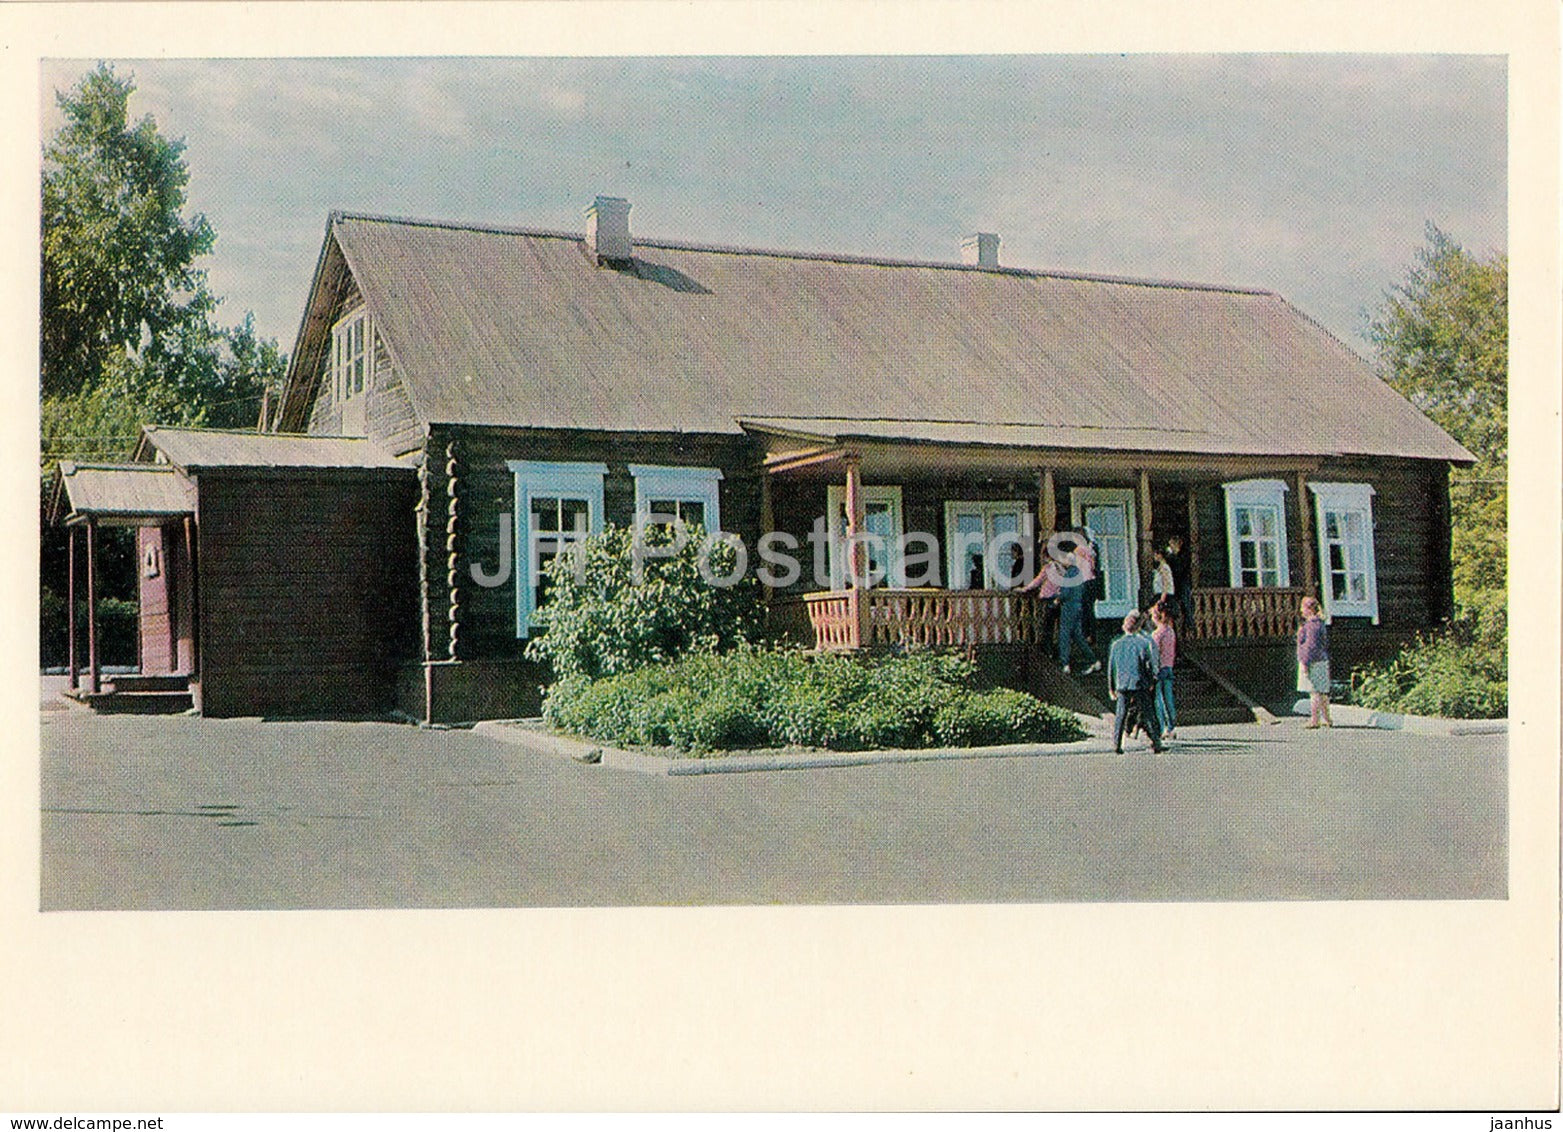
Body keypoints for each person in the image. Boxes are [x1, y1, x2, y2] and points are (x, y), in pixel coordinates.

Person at [1020, 537, 1100, 675]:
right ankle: (1093, 660)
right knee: (1077, 636)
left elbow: (1066, 592)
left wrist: (1058, 599)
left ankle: (1065, 664)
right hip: (1078, 606)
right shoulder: (1078, 573)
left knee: (1064, 634)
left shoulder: (1069, 573)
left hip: (1069, 606)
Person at [1107, 610, 1163, 754]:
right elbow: (1148, 665)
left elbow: (1111, 668)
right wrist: (1151, 680)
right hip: (1139, 683)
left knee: (1120, 715)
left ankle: (1116, 744)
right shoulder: (1143, 644)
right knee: (1148, 713)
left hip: (1122, 684)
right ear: (1138, 627)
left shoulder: (1116, 645)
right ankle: (1156, 741)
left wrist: (1111, 687)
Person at [1297, 595, 1333, 728]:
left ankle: (1314, 720)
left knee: (1314, 692)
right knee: (1322, 691)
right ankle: (1327, 719)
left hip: (1313, 661)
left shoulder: (1311, 625)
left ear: (1309, 609)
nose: (1301, 611)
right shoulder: (1320, 623)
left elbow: (1309, 646)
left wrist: (1305, 663)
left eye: (1303, 608)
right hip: (1322, 659)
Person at [1149, 600, 1177, 739]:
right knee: (1169, 699)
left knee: (1158, 700)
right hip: (1169, 667)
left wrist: (1152, 670)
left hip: (1159, 669)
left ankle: (1162, 727)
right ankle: (1171, 727)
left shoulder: (1156, 634)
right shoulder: (1171, 631)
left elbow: (1155, 654)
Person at [1163, 534, 1194, 629]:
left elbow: (1179, 568)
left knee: (1186, 603)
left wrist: (1172, 556)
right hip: (1173, 584)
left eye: (1172, 544)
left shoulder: (1184, 555)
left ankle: (1189, 623)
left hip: (1182, 583)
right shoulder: (1172, 556)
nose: (1170, 546)